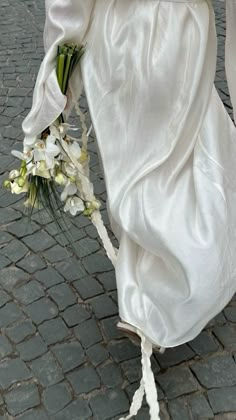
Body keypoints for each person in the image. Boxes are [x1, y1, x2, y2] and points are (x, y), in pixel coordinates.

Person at [22, 1, 236, 418]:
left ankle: (146, 298)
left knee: (134, 173)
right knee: (181, 158)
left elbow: (67, 6)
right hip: (183, 31)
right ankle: (163, 292)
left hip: (117, 37)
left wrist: (55, 80)